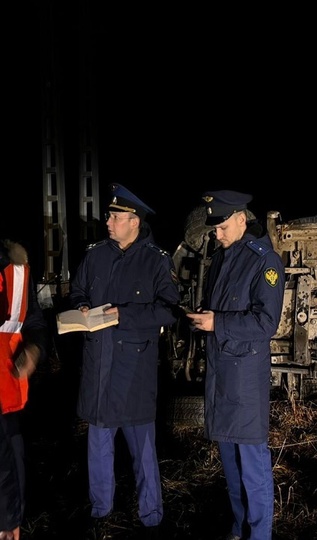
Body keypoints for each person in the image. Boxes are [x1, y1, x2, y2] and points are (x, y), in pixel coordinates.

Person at [69, 184, 180, 540]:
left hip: (133, 369)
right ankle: (101, 510)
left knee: (142, 447)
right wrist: (83, 306)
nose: (108, 221)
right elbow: (78, 291)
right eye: (109, 215)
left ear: (134, 221)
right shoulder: (95, 255)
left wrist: (124, 315)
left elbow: (169, 309)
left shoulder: (155, 260)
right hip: (99, 363)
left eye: (115, 217)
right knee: (98, 442)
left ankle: (151, 514)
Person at [186, 190, 285, 540]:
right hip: (221, 376)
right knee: (230, 463)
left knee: (253, 465)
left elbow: (266, 323)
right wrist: (202, 320)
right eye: (215, 227)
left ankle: (259, 534)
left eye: (223, 226)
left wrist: (217, 324)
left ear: (242, 220)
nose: (217, 233)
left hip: (244, 379)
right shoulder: (224, 258)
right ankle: (238, 527)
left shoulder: (265, 261)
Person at [0, 239, 49, 540]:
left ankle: (9, 523)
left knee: (10, 456)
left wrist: (33, 349)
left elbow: (33, 322)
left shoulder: (15, 268)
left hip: (6, 387)